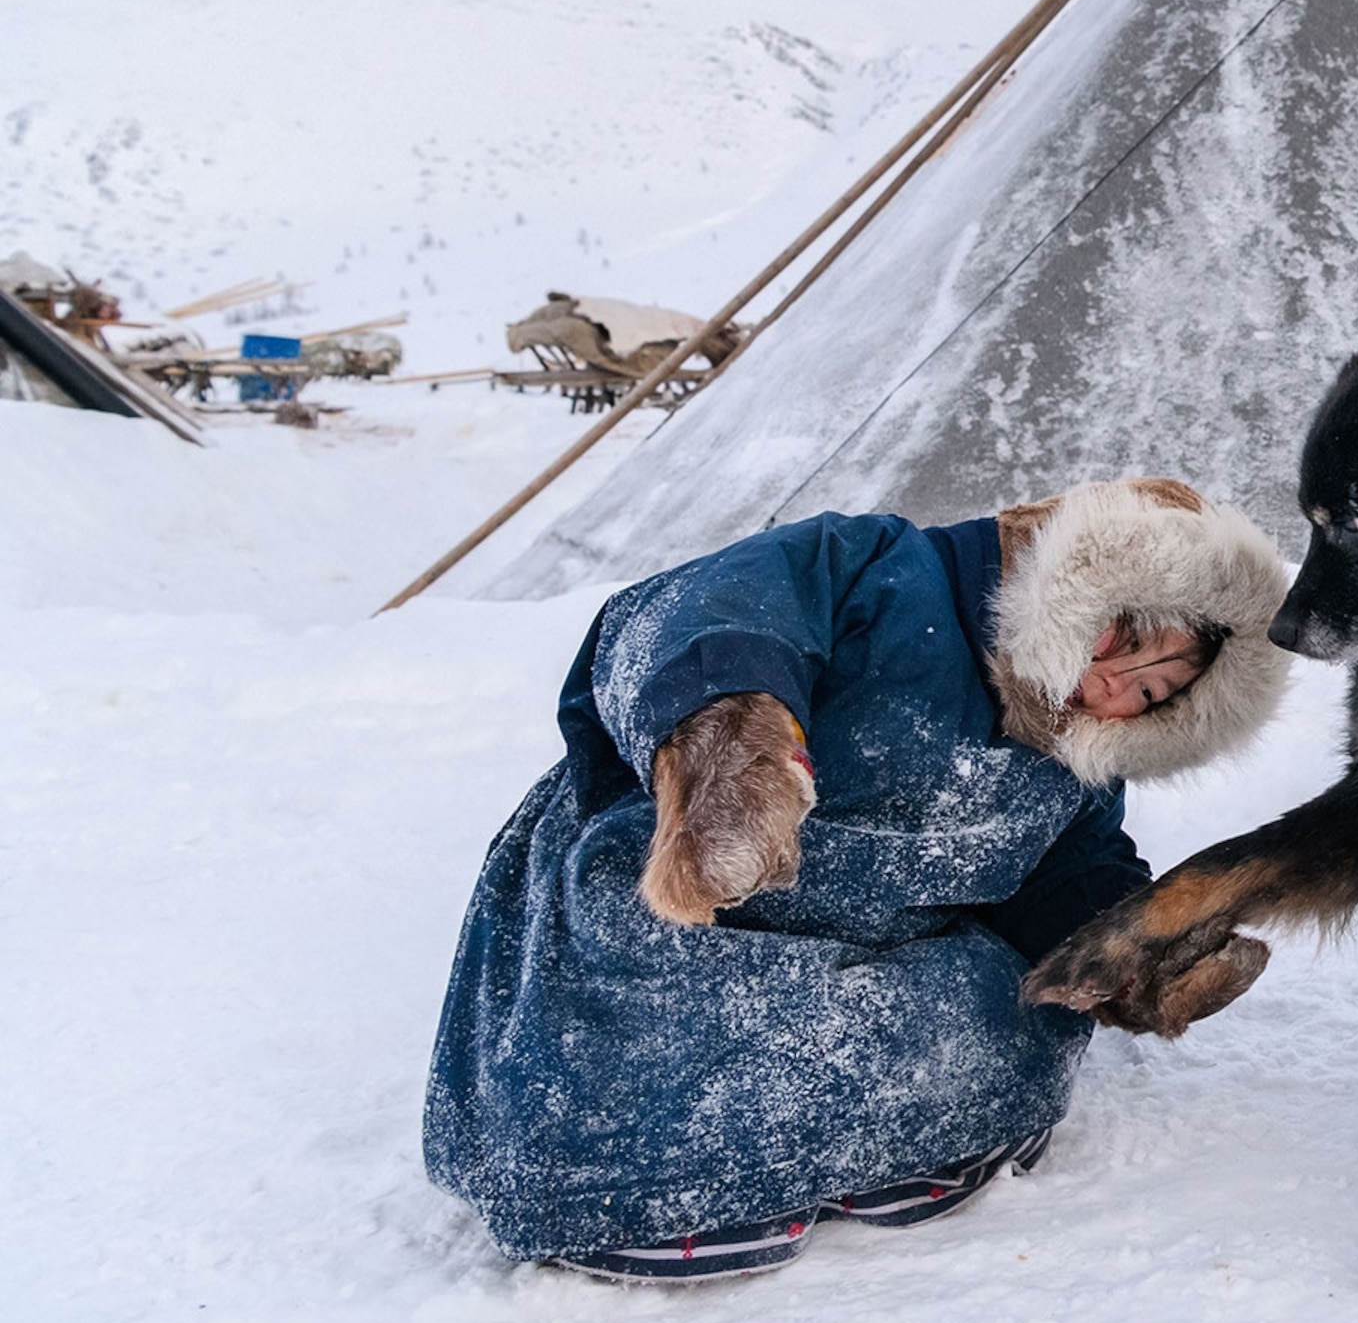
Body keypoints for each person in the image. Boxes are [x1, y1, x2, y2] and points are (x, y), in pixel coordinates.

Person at [424, 477, 1289, 1282]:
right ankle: (633, 1202)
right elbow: (702, 617)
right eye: (1125, 641)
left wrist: (1138, 951)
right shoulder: (883, 570)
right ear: (1083, 581)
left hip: (869, 943)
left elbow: (1068, 874)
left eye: (1152, 693)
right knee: (624, 1035)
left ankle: (865, 1155)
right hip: (686, 892)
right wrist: (732, 747)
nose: (1112, 688)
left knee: (994, 1012)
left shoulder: (1076, 760)